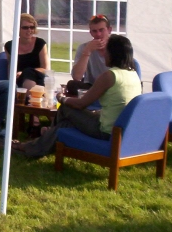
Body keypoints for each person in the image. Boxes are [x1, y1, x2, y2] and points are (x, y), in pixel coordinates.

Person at [13, 34, 141, 158]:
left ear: (113, 53)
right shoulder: (133, 74)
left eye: (106, 51)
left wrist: (61, 98)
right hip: (121, 129)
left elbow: (81, 104)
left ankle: (38, 140)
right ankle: (36, 144)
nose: (104, 55)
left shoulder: (110, 75)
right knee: (64, 125)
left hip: (105, 131)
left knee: (66, 108)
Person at [69, 14, 113, 95]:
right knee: (71, 85)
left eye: (101, 30)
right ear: (90, 33)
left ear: (109, 30)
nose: (98, 34)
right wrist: (87, 52)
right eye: (94, 31)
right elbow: (76, 77)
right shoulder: (84, 47)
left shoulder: (117, 46)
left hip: (112, 87)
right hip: (92, 86)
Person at [5, 13, 50, 90]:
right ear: (18, 28)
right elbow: (10, 68)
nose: (29, 30)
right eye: (25, 28)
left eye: (32, 27)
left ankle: (31, 95)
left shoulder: (40, 43)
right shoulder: (9, 46)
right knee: (26, 73)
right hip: (19, 80)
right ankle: (31, 95)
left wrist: (25, 72)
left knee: (28, 71)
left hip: (38, 78)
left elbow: (45, 69)